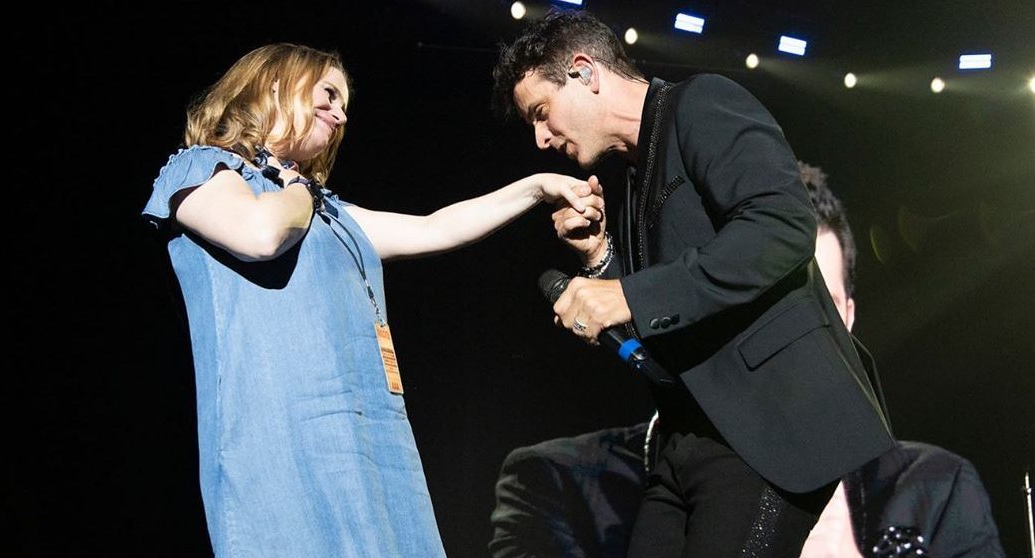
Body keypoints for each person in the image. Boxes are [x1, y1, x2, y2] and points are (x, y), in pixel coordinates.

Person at [141, 43, 603, 556]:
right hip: (281, 443)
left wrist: (536, 188)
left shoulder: (325, 212)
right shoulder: (202, 169)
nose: (340, 115)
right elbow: (262, 234)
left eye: (345, 106)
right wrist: (299, 188)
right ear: (274, 85)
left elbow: (437, 228)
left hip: (369, 441)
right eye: (329, 94)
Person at [492, 10, 894, 556]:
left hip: (767, 431)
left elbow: (782, 226)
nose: (540, 138)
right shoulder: (633, 174)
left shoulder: (702, 103)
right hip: (686, 440)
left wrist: (626, 293)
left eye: (541, 112)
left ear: (585, 71)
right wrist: (601, 258)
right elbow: (668, 315)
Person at [488, 163, 1005, 558]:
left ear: (846, 318)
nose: (785, 339)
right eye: (757, 305)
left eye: (811, 311)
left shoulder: (935, 486)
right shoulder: (563, 480)